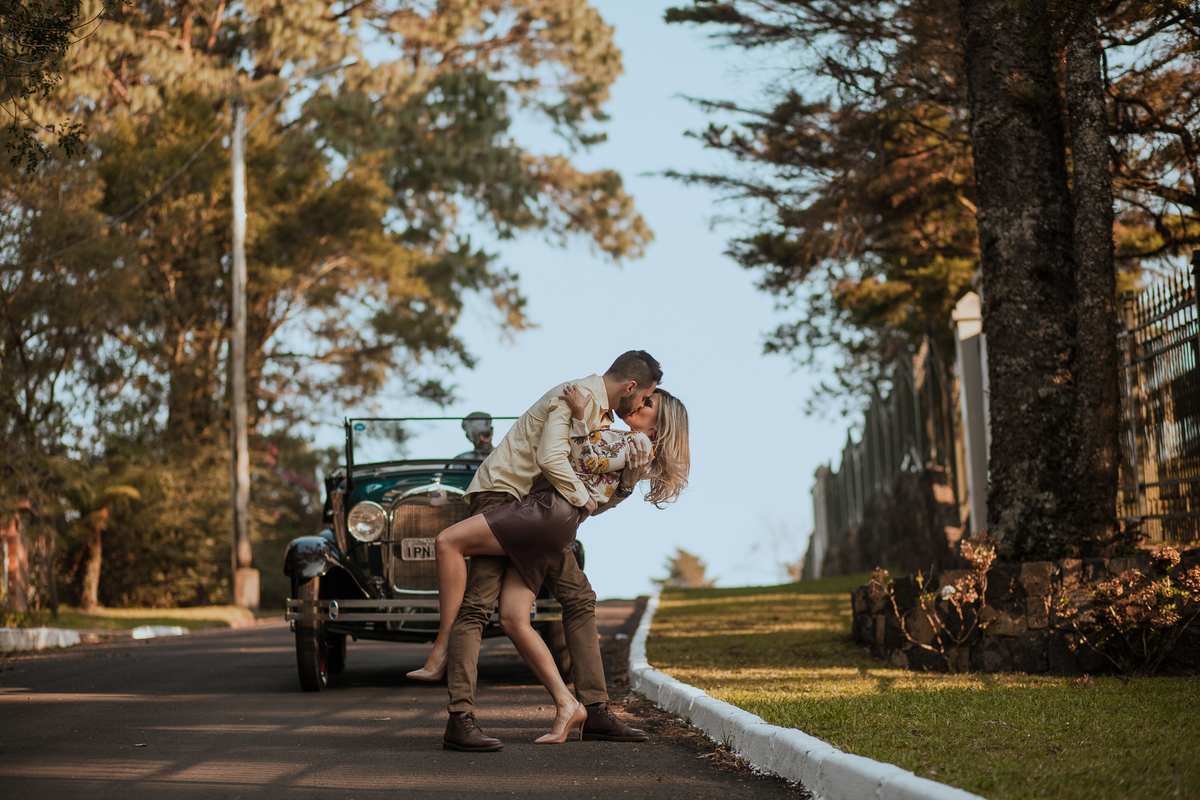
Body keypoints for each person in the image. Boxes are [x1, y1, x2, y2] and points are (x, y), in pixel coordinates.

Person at [407, 351, 665, 751]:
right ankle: (460, 717)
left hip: (537, 510)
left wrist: (621, 487)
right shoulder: (577, 396)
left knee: (575, 598)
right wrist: (582, 498)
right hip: (504, 493)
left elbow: (591, 480)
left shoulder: (599, 417)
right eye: (645, 397)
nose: (641, 404)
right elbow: (551, 459)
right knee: (478, 604)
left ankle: (593, 710)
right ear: (631, 387)